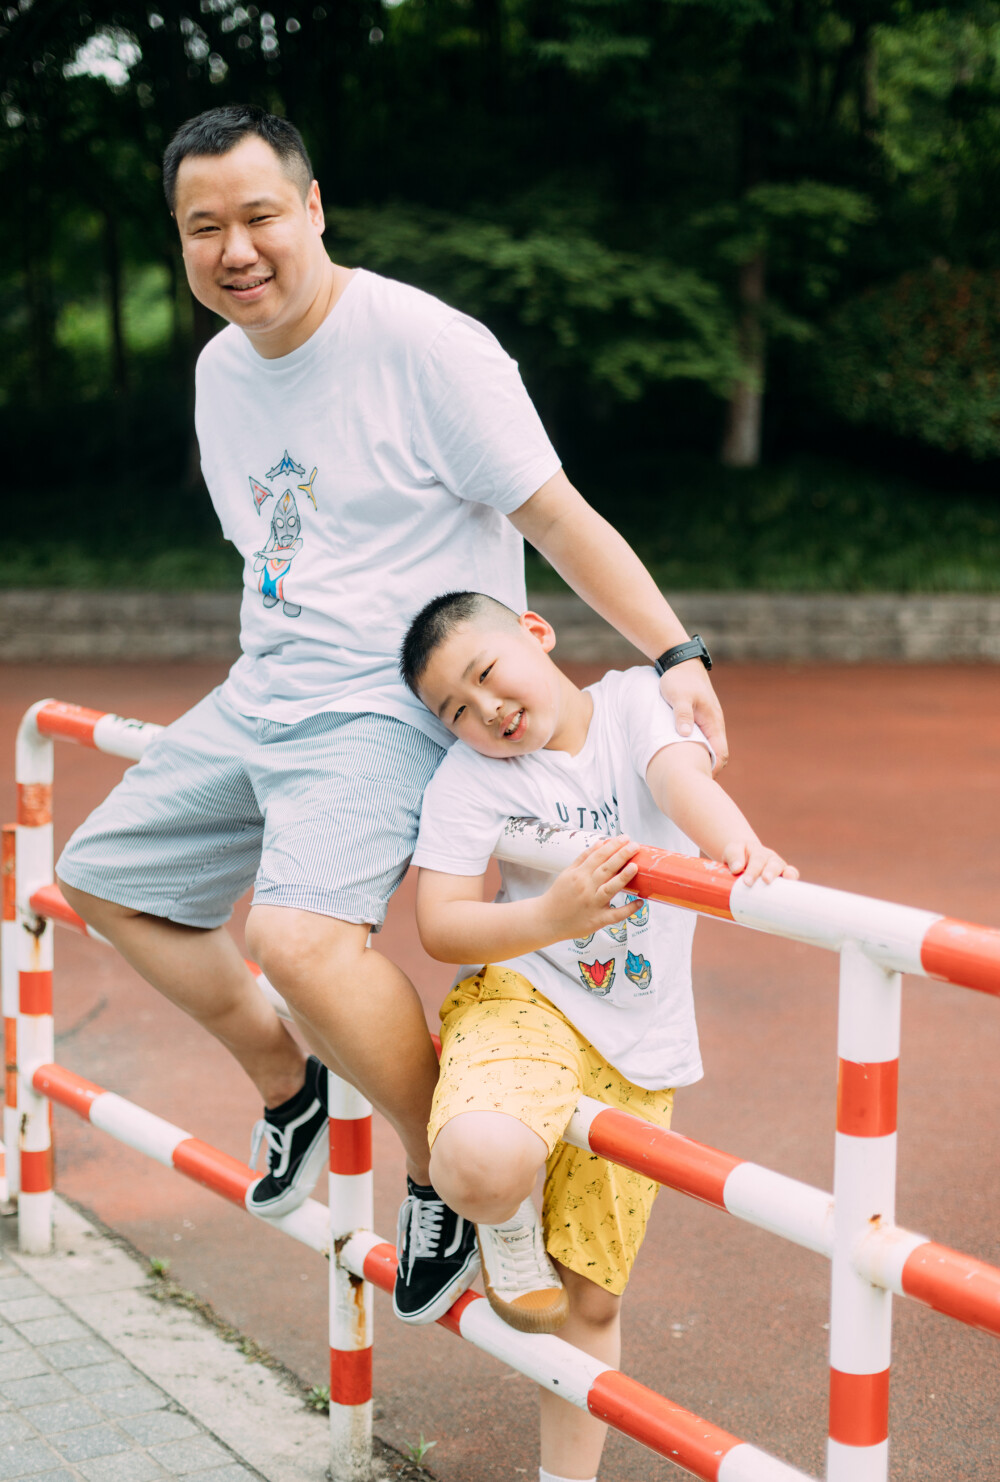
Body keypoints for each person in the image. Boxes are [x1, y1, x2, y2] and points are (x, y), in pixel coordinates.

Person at [55, 102, 729, 1326]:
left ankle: (439, 1169)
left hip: (389, 697)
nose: (236, 249)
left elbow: (558, 516)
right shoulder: (218, 371)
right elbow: (271, 553)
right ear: (181, 242)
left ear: (313, 208)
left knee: (300, 941)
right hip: (265, 682)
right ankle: (288, 1081)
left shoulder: (430, 347)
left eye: (260, 216)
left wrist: (673, 647)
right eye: (204, 228)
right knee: (100, 874)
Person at [400, 591, 796, 1482]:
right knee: (476, 1165)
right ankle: (502, 1230)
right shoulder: (470, 778)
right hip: (525, 999)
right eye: (454, 710)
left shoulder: (633, 704)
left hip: (640, 1042)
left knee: (588, 1295)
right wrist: (552, 913)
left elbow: (679, 782)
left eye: (486, 674)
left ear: (535, 636)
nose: (484, 710)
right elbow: (440, 924)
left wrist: (743, 852)